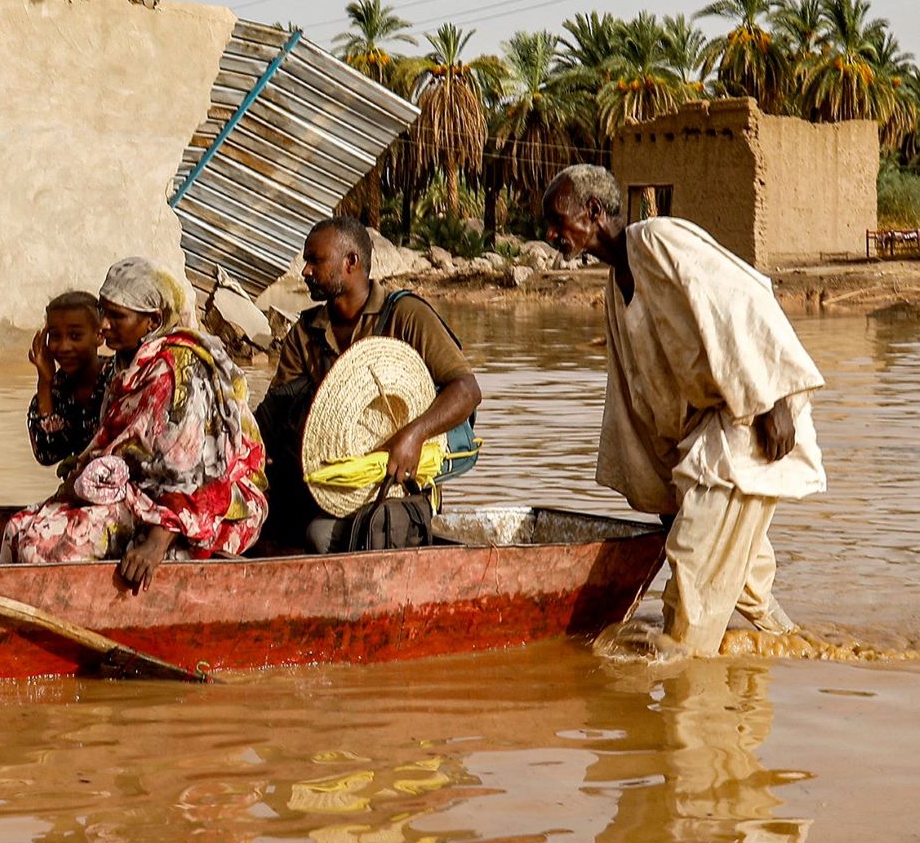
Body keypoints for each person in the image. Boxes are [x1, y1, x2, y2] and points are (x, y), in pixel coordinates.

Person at [541, 164, 818, 655]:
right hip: (702, 440)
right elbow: (643, 395)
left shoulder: (658, 240)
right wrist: (667, 493)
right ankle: (802, 656)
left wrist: (774, 398)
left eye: (558, 220)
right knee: (747, 586)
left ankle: (685, 697)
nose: (550, 234)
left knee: (691, 575)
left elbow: (746, 294)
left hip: (745, 420)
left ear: (594, 211)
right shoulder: (615, 285)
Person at [0, 257, 268, 589]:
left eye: (117, 316)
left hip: (201, 511)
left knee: (38, 547)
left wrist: (154, 544)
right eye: (103, 312)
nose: (105, 326)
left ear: (152, 320)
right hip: (140, 496)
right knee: (17, 528)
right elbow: (55, 450)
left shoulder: (177, 371)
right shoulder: (124, 369)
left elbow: (193, 479)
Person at [256, 216, 481, 551]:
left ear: (351, 262)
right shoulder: (306, 332)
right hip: (323, 480)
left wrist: (414, 434)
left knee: (320, 536)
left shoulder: (406, 315)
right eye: (306, 261)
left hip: (394, 487)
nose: (305, 271)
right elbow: (275, 414)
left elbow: (467, 390)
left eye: (315, 261)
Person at [27, 289, 110, 472]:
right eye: (55, 336)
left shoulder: (118, 379)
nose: (64, 347)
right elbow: (47, 454)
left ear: (99, 336)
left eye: (75, 336)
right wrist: (44, 383)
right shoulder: (57, 388)